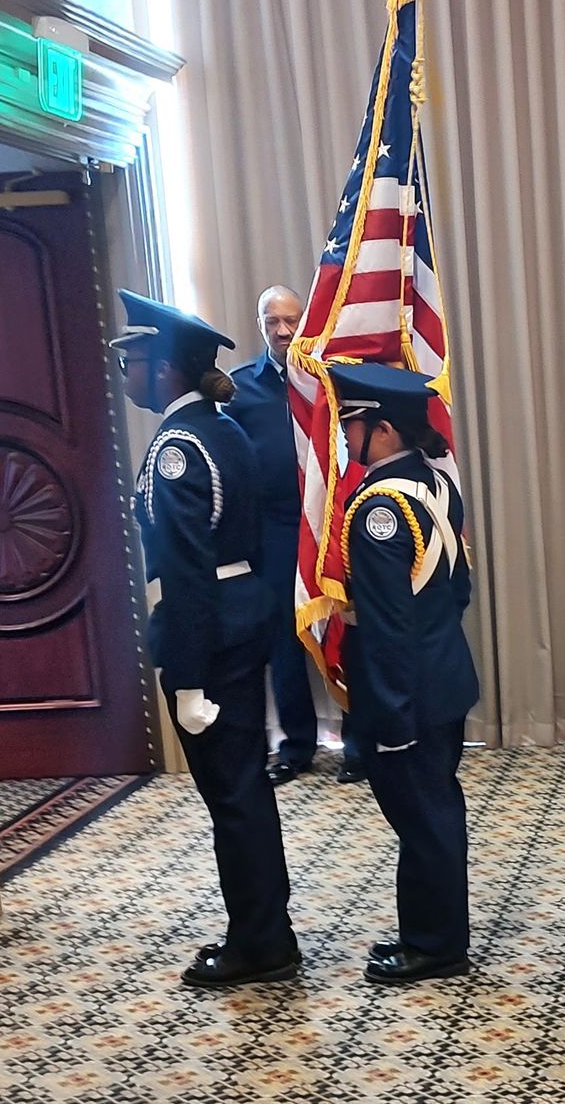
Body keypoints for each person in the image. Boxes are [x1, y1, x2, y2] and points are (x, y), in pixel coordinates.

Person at [111, 289, 299, 987]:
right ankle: (268, 929)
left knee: (234, 796)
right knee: (247, 788)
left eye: (133, 361)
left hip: (210, 633)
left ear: (164, 371)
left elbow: (188, 572)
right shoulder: (224, 428)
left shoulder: (177, 449)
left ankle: (260, 943)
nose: (125, 374)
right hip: (242, 615)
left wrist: (187, 680)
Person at [327, 362, 479, 984]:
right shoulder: (436, 486)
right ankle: (430, 933)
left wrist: (389, 717)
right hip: (444, 674)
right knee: (435, 811)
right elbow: (458, 589)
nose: (343, 439)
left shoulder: (380, 508)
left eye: (351, 425)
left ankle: (436, 946)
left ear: (383, 430)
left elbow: (388, 625)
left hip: (407, 690)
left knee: (422, 819)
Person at [225, 286, 366, 786]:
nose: (283, 331)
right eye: (272, 322)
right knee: (285, 640)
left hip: (337, 523)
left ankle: (357, 744)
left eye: (291, 320)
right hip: (276, 530)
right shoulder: (240, 390)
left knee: (347, 631)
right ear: (260, 324)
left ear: (306, 318)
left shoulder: (333, 378)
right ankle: (297, 746)